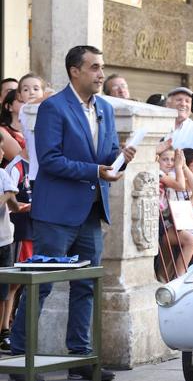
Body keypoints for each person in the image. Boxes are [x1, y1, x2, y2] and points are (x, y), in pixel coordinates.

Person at [9, 45, 136, 381]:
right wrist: (97, 171)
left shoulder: (105, 109)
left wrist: (121, 157)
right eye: (94, 67)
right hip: (56, 213)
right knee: (42, 285)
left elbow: (104, 154)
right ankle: (21, 357)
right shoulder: (53, 108)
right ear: (74, 71)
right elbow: (50, 159)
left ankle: (81, 358)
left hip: (91, 212)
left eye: (102, 67)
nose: (101, 74)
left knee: (86, 286)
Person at [157, 147, 193, 278]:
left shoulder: (172, 176)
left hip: (169, 222)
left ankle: (174, 279)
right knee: (189, 240)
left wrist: (184, 166)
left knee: (168, 258)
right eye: (165, 159)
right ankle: (179, 278)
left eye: (172, 160)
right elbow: (180, 186)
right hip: (159, 223)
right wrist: (179, 167)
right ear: (157, 160)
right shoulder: (158, 173)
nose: (169, 163)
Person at [0, 133, 19, 352]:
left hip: (5, 240)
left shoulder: (3, 174)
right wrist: (6, 194)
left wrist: (12, 198)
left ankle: (4, 330)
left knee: (4, 289)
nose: (3, 153)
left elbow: (13, 207)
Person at [17, 73, 46, 184]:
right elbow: (33, 106)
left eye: (36, 88)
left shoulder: (48, 107)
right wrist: (48, 96)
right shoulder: (24, 109)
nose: (31, 92)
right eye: (25, 89)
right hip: (36, 171)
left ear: (43, 91)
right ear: (19, 96)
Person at [1, 90, 26, 165]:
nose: (27, 103)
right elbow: (20, 159)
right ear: (9, 107)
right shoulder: (2, 131)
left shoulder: (34, 128)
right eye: (22, 101)